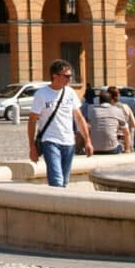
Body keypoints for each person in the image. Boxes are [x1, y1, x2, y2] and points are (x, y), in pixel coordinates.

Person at [27, 59, 93, 187]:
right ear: (55, 76)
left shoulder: (70, 93)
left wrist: (87, 140)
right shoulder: (41, 94)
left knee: (65, 181)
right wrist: (32, 147)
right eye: (67, 76)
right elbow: (32, 121)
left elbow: (79, 118)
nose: (69, 79)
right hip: (50, 141)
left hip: (69, 142)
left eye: (70, 76)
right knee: (56, 180)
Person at [88, 88, 129, 155]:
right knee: (120, 145)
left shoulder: (93, 111)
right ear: (111, 101)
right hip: (112, 148)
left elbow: (88, 127)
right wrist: (127, 149)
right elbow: (126, 132)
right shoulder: (117, 110)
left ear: (99, 101)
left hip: (94, 149)